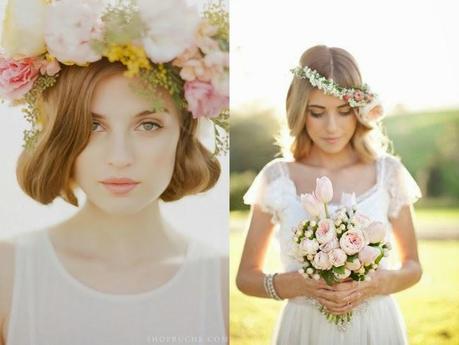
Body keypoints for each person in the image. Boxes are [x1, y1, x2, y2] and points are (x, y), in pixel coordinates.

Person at [0, 0, 229, 344]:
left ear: (184, 134)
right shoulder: (9, 272)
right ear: (60, 133)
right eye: (94, 126)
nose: (120, 158)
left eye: (148, 125)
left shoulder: (220, 282)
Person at [236, 45, 422, 344]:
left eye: (344, 111)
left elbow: (413, 266)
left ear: (359, 111)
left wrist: (376, 284)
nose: (332, 127)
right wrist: (298, 285)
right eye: (317, 112)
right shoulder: (277, 177)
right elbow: (246, 277)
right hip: (304, 329)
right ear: (300, 112)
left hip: (375, 328)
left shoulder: (388, 173)